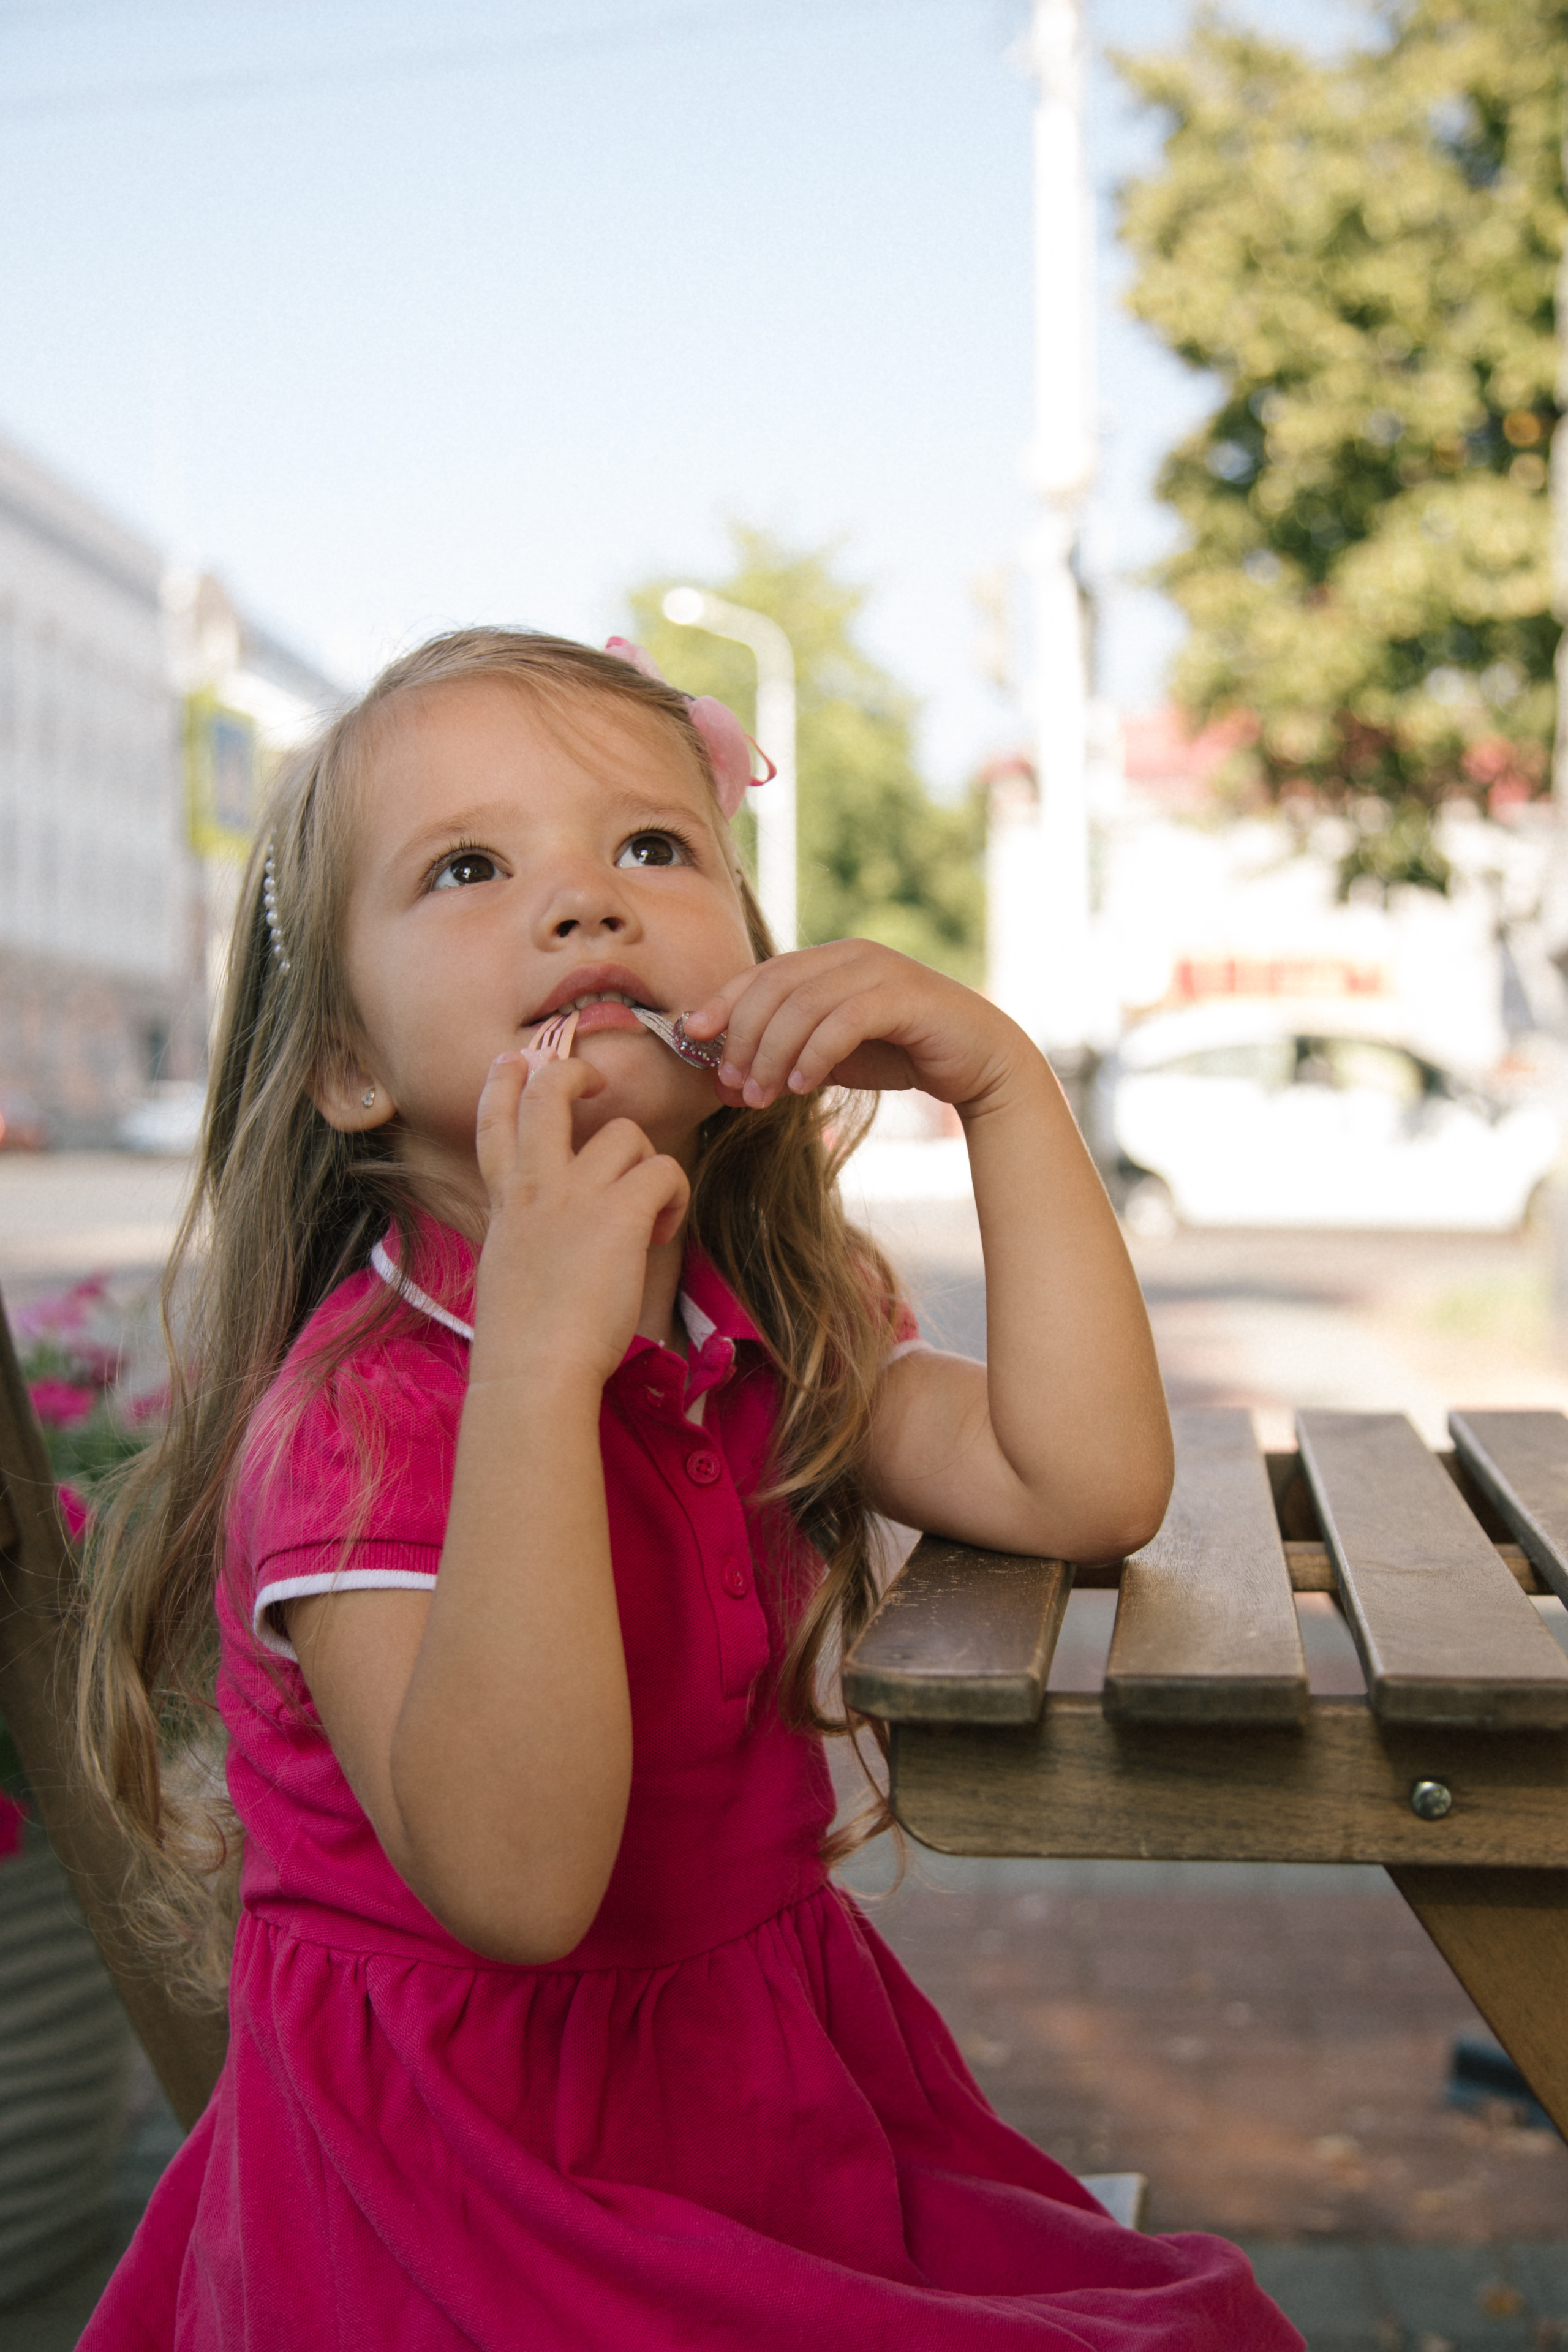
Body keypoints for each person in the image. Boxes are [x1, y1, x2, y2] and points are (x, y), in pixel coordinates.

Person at [77, 630, 1300, 2350]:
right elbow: (515, 1886)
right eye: (470, 867)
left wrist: (1003, 1086)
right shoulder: (365, 1419)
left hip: (770, 2093)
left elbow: (1083, 1485)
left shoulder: (759, 1315)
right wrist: (536, 1361)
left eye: (652, 845)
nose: (585, 900)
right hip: (472, 2195)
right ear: (349, 1064)